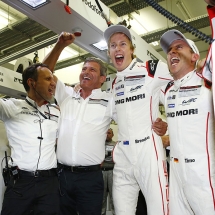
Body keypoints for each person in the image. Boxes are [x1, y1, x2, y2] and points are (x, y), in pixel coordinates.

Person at [42, 32, 167, 215]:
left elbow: (134, 114)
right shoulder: (67, 95)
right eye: (84, 69)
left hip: (91, 177)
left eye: (92, 70)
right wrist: (59, 45)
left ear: (102, 79)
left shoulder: (110, 99)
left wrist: (162, 125)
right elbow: (43, 71)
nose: (86, 72)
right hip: (62, 175)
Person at [103, 25, 172, 215]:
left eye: (122, 44)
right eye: (113, 46)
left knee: (159, 211)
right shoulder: (114, 84)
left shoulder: (151, 69)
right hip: (123, 155)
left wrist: (169, 125)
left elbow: (178, 91)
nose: (117, 49)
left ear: (132, 50)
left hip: (148, 151)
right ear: (109, 53)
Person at [160, 29, 215, 215]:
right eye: (169, 50)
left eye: (179, 47)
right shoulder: (168, 92)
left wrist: (207, 67)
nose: (172, 52)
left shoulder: (208, 82)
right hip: (175, 173)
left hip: (203, 174)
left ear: (194, 56)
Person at [0, 63, 60, 215]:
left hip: (50, 184)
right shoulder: (12, 107)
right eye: (48, 79)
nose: (53, 83)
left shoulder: (57, 112)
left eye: (53, 79)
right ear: (31, 83)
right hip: (20, 183)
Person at [101, 128, 116, 215]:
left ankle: (115, 212)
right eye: (106, 133)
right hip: (101, 172)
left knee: (113, 196)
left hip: (112, 172)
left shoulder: (115, 145)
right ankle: (101, 212)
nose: (107, 135)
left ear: (112, 135)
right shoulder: (99, 145)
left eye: (109, 133)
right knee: (101, 196)